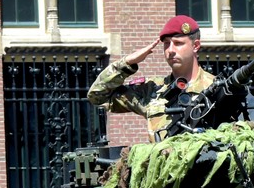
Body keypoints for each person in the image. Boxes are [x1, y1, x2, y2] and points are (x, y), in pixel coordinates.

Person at [88, 14, 216, 138]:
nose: (170, 50)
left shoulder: (217, 88)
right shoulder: (152, 90)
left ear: (196, 46)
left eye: (178, 43)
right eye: (166, 43)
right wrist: (127, 63)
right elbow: (97, 96)